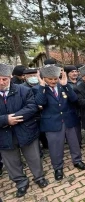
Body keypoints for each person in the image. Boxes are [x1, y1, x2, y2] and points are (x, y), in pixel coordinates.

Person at [0, 63, 48, 197]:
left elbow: (32, 107)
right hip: (4, 135)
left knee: (34, 157)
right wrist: (5, 120)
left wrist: (14, 117)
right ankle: (21, 183)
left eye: (4, 79)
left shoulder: (23, 90)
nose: (1, 82)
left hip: (26, 130)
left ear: (10, 77)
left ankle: (39, 177)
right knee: (12, 162)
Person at [35, 64, 85, 181]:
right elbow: (40, 103)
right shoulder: (39, 89)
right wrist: (42, 87)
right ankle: (58, 168)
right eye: (50, 79)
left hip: (69, 120)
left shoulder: (64, 86)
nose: (53, 81)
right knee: (55, 147)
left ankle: (77, 160)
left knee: (74, 143)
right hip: (52, 123)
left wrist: (65, 86)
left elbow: (74, 99)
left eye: (55, 78)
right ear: (44, 78)